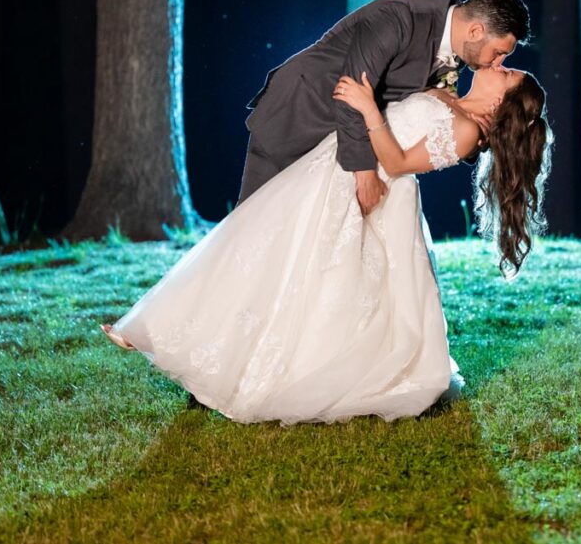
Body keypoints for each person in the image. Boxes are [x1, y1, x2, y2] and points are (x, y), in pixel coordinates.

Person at [100, 66, 551, 425]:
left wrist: (366, 107)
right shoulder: (447, 95)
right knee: (250, 245)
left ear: (502, 101)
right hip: (329, 170)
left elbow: (396, 161)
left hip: (367, 191)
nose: (501, 66)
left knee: (316, 276)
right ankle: (157, 326)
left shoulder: (467, 131)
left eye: (508, 74)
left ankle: (268, 363)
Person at [238, 0, 530, 215]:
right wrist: (364, 172)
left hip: (339, 147)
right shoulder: (398, 18)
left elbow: (434, 116)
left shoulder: (462, 54)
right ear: (476, 31)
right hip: (300, 113)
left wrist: (477, 135)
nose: (498, 62)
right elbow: (350, 90)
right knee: (254, 224)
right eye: (499, 52)